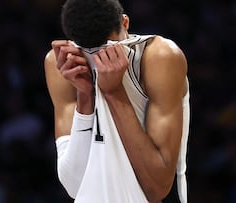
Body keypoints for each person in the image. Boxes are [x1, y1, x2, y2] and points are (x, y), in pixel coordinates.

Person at [44, 0, 190, 202]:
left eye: (112, 48)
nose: (100, 61)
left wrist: (114, 92)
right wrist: (85, 96)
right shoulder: (63, 62)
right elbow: (75, 185)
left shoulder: (159, 56)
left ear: (126, 23)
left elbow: (156, 188)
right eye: (90, 54)